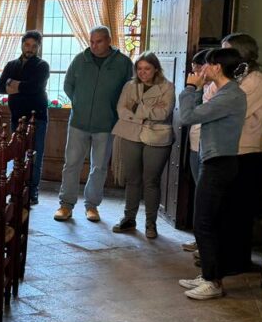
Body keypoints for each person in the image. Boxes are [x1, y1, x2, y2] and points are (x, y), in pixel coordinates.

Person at [177, 47, 247, 300]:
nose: (201, 70)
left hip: (219, 164)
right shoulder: (224, 92)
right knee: (208, 221)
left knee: (204, 222)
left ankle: (213, 282)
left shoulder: (230, 96)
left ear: (217, 67)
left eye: (206, 64)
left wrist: (190, 88)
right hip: (215, 160)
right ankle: (209, 273)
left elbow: (187, 117)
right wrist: (197, 91)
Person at [54, 26, 133, 222]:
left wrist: (114, 111)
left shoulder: (123, 63)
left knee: (99, 167)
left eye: (99, 41)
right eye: (91, 41)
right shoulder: (80, 60)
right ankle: (66, 205)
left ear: (108, 41)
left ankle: (92, 206)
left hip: (106, 125)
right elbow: (68, 85)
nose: (94, 46)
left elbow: (130, 91)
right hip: (78, 123)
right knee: (71, 164)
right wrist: (79, 103)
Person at [220, 32, 262, 276]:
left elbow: (231, 109)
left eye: (226, 51)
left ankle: (236, 260)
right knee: (227, 206)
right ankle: (225, 256)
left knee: (240, 207)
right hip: (231, 148)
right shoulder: (237, 76)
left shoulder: (255, 79)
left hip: (247, 151)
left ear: (241, 53)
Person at [110, 52, 175, 239]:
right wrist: (147, 113)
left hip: (157, 137)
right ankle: (129, 219)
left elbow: (164, 113)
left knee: (151, 181)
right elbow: (121, 110)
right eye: (139, 68)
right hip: (130, 134)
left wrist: (137, 108)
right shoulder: (130, 86)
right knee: (132, 180)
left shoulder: (167, 87)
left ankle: (151, 223)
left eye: (147, 68)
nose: (143, 72)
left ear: (156, 69)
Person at [0, 30, 50, 204]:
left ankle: (32, 192)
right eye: (27, 45)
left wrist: (12, 83)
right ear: (22, 45)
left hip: (37, 118)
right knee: (17, 155)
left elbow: (34, 87)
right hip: (16, 118)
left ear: (38, 47)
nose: (30, 49)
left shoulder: (42, 66)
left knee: (35, 156)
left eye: (34, 46)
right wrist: (21, 86)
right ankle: (17, 190)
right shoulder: (11, 65)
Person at [181, 49, 212, 260]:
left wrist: (193, 88)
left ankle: (205, 243)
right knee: (198, 193)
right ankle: (198, 237)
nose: (194, 74)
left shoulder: (215, 89)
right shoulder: (203, 88)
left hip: (207, 147)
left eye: (198, 69)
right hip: (194, 145)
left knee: (205, 196)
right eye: (193, 70)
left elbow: (192, 113)